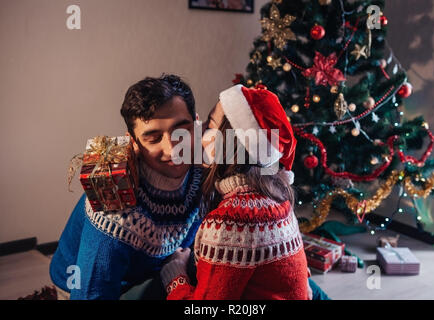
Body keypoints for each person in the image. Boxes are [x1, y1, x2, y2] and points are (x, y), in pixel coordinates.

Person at [49, 74, 206, 299]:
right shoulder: (115, 208)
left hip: (156, 268)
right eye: (153, 139)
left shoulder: (204, 170)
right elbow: (91, 292)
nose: (173, 150)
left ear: (196, 124)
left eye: (182, 131)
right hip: (84, 285)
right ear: (133, 142)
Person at [159, 84, 310, 299]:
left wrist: (175, 275)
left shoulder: (231, 223)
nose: (201, 133)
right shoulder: (277, 194)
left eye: (210, 125)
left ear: (231, 145)